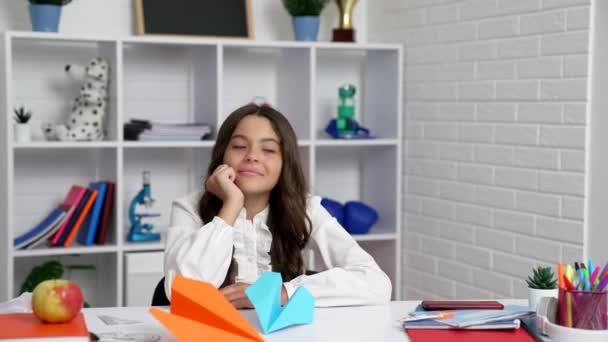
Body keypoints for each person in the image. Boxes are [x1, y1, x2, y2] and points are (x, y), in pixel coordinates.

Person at [163, 102, 391, 308]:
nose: (252, 156)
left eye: (269, 150)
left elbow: (376, 282)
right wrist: (231, 205)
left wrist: (282, 293)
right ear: (222, 155)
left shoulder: (305, 208)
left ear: (285, 163)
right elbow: (183, 295)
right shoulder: (188, 208)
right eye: (240, 146)